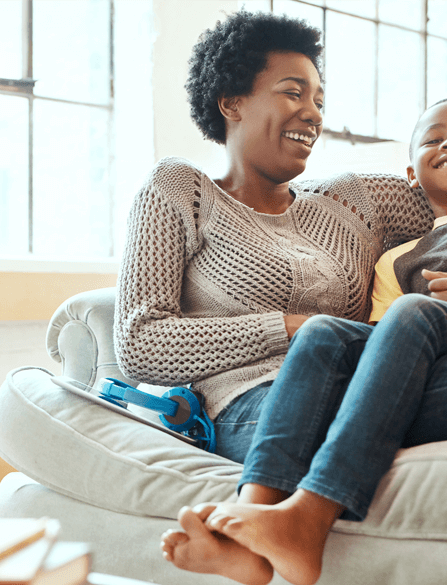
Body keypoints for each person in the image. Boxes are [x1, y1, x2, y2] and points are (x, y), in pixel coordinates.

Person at [159, 97, 447, 585]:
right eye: (433, 140)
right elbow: (381, 349)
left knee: (417, 311)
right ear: (411, 173)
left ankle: (309, 515)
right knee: (324, 332)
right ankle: (253, 527)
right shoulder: (397, 259)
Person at [115, 9, 430, 584]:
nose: (312, 113)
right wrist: (289, 327)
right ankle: (262, 526)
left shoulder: (349, 199)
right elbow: (140, 342)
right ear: (231, 100)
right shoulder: (181, 189)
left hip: (375, 381)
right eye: (293, 92)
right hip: (257, 402)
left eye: (318, 99)